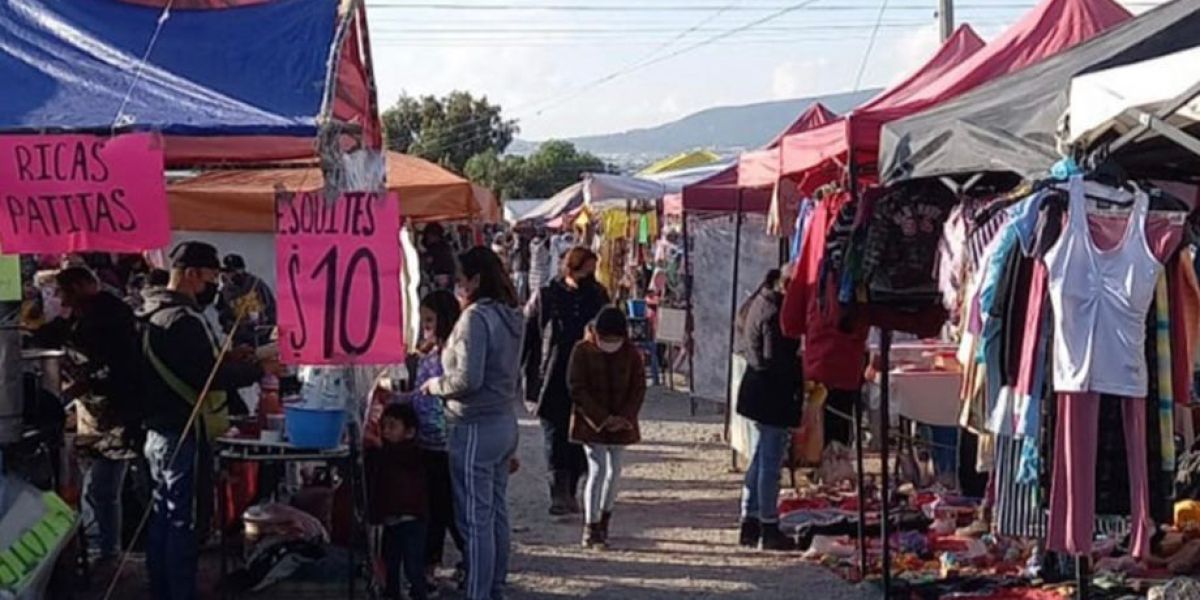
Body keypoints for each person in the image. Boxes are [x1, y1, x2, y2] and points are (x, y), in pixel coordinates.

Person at [138, 241, 277, 600]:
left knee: (163, 519)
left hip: (160, 430)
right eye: (211, 278)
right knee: (183, 522)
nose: (214, 287)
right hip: (181, 429)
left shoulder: (154, 311)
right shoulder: (180, 319)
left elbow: (197, 364)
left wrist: (232, 357)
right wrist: (257, 369)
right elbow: (204, 377)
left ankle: (162, 590)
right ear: (190, 274)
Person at [421, 247, 524, 600]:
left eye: (461, 280)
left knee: (475, 519)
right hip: (503, 420)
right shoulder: (510, 313)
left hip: (475, 425)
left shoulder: (475, 318)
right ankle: (494, 586)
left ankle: (480, 592)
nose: (457, 287)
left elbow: (467, 379)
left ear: (476, 280)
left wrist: (435, 386)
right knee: (494, 512)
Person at [31, 267, 143, 567]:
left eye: (65, 290)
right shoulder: (81, 316)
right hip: (93, 412)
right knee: (94, 489)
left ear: (82, 286)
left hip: (117, 412)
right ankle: (104, 549)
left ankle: (110, 553)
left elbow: (114, 366)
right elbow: (58, 335)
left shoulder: (109, 315)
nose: (61, 298)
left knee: (102, 490)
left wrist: (79, 387)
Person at [523, 247, 610, 516]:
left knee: (581, 433)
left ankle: (573, 486)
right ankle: (559, 492)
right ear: (571, 268)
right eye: (586, 269)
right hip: (552, 375)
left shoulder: (598, 296)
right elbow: (529, 338)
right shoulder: (546, 296)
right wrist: (526, 377)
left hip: (588, 376)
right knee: (555, 434)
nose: (590, 275)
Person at [567, 307, 646, 549]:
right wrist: (601, 418)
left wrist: (625, 417)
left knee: (615, 471)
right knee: (597, 469)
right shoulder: (581, 350)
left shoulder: (631, 353)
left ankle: (605, 518)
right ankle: (591, 526)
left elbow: (638, 387)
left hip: (622, 422)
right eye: (606, 339)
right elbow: (576, 388)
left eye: (615, 340)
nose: (610, 345)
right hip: (590, 423)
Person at [735, 268, 800, 551]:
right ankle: (768, 526)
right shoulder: (774, 312)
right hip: (771, 393)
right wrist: (799, 367)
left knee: (761, 457)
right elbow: (774, 360)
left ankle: (750, 521)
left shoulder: (761, 301)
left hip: (758, 390)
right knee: (770, 464)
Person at [407, 290, 467, 584]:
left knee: (446, 508)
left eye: (430, 320)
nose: (426, 326)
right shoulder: (427, 352)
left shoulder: (451, 353)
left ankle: (461, 560)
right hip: (426, 442)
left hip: (445, 442)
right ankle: (434, 564)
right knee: (435, 507)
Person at [366, 403, 430, 600]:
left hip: (413, 520)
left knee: (413, 566)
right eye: (384, 426)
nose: (386, 432)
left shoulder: (414, 455)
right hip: (391, 521)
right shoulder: (382, 454)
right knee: (390, 564)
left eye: (392, 426)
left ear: (410, 432)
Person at [218, 254, 277, 345]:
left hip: (264, 337)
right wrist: (234, 329)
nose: (229, 275)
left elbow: (272, 308)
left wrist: (273, 332)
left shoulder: (257, 284)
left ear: (241, 270)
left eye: (232, 271)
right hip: (241, 342)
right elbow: (223, 318)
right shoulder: (224, 292)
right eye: (226, 272)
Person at [421, 224, 458, 290]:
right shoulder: (447, 246)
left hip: (439, 277)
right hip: (449, 277)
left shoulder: (433, 249)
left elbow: (427, 264)